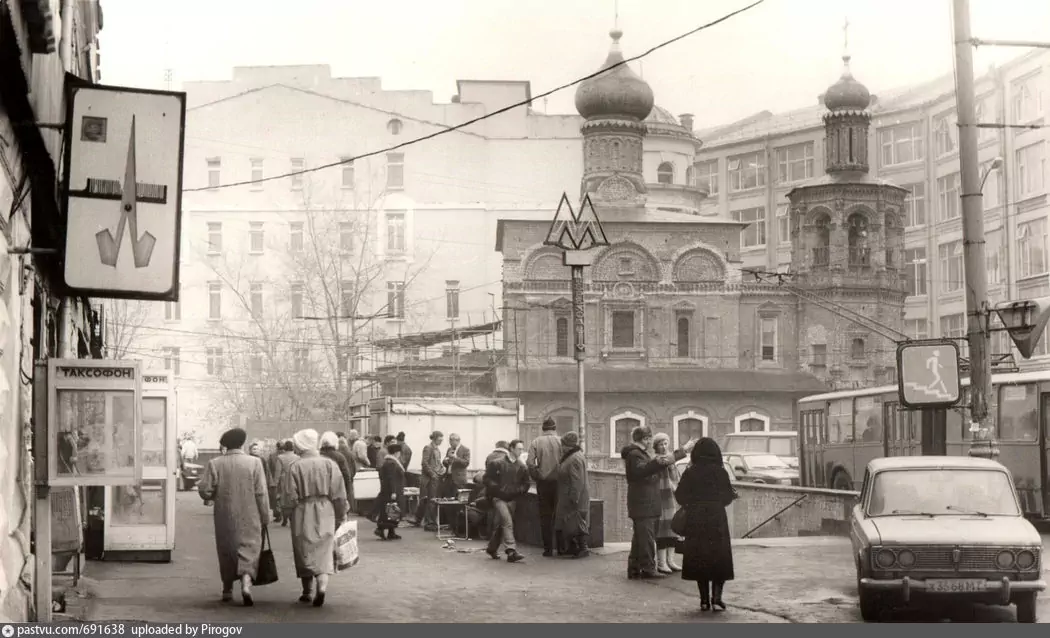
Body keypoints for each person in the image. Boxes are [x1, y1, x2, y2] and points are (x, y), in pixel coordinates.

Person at [197, 428, 270, 606]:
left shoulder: (215, 463)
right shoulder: (254, 463)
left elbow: (205, 490)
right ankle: (246, 583)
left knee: (227, 549)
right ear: (242, 443)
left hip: (225, 514)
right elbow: (261, 492)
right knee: (249, 547)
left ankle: (227, 589)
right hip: (250, 513)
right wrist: (265, 515)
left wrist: (213, 495)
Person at [280, 429, 348, 608]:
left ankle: (306, 591)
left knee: (303, 549)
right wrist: (341, 514)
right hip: (326, 509)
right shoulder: (330, 464)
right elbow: (339, 493)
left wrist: (286, 513)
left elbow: (289, 495)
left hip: (302, 510)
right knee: (324, 550)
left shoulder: (295, 466)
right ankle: (322, 586)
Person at [620, 425, 692, 580]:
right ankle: (648, 568)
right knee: (645, 538)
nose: (649, 442)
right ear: (644, 439)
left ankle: (634, 568)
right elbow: (644, 470)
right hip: (644, 503)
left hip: (644, 503)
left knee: (640, 538)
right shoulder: (635, 455)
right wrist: (680, 452)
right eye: (648, 439)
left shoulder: (638, 454)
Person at [675, 437, 736, 612]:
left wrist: (692, 504)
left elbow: (680, 496)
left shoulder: (690, 471)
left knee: (700, 558)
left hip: (696, 518)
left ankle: (703, 600)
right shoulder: (720, 472)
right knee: (719, 557)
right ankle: (717, 597)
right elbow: (727, 497)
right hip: (717, 518)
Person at [483, 439, 530, 563]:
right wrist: (497, 489)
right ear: (511, 449)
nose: (521, 451)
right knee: (508, 522)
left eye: (522, 449)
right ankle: (511, 550)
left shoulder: (522, 466)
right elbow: (486, 479)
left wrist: (518, 490)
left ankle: (492, 548)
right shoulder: (497, 463)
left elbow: (526, 484)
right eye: (519, 448)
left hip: (512, 498)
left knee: (502, 525)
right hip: (499, 498)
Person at [527, 417, 563, 556]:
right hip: (559, 483)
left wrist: (538, 475)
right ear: (555, 428)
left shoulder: (536, 441)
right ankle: (560, 548)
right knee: (559, 514)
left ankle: (548, 549)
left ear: (543, 429)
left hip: (543, 483)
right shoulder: (561, 441)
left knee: (545, 516)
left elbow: (530, 463)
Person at [554, 432, 590, 558]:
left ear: (567, 446)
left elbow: (577, 481)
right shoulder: (575, 456)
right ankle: (574, 547)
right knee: (572, 522)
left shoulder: (574, 458)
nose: (561, 447)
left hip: (573, 498)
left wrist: (574, 498)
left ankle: (582, 548)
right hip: (571, 496)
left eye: (562, 445)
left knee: (576, 522)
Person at [652, 433, 683, 574]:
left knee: (671, 529)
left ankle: (670, 561)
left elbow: (675, 477)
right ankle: (661, 562)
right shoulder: (657, 459)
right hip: (660, 497)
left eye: (665, 443)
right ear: (656, 446)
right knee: (661, 530)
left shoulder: (670, 460)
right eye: (660, 444)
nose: (664, 447)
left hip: (670, 498)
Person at [414, 431, 446, 531]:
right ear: (435, 438)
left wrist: (442, 468)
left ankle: (424, 520)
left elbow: (437, 462)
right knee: (431, 500)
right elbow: (424, 463)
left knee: (431, 499)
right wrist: (432, 474)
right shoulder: (428, 448)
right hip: (431, 478)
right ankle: (429, 522)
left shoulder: (437, 449)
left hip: (436, 477)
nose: (441, 441)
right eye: (440, 439)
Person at [375, 443, 406, 541]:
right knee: (390, 511)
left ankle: (391, 532)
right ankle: (380, 529)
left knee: (392, 511)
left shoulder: (389, 462)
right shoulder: (392, 463)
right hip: (392, 491)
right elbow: (391, 478)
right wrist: (393, 491)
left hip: (390, 490)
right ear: (396, 453)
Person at [320, 431, 353, 512]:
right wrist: (347, 492)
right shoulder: (339, 456)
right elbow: (346, 475)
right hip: (337, 492)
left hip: (321, 493)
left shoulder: (318, 455)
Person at [273, 440, 299, 526]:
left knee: (283, 500)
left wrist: (275, 483)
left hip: (283, 481)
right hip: (294, 480)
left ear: (285, 448)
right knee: (293, 499)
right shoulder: (298, 457)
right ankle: (293, 518)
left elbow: (277, 472)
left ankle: (285, 519)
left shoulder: (280, 457)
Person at [336, 435, 358, 514]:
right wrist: (352, 475)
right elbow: (354, 466)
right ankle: (348, 509)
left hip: (339, 476)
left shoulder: (337, 454)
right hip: (349, 475)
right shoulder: (350, 453)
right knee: (348, 492)